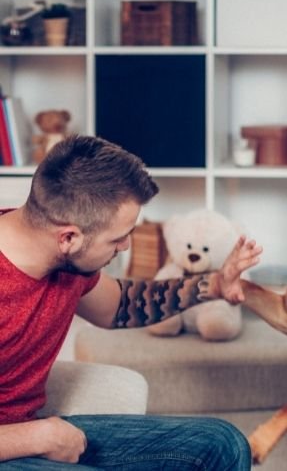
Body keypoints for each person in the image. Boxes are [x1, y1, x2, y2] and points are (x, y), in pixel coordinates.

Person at [0, 135, 262, 470]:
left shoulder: (65, 261)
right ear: (68, 237)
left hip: (28, 436)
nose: (125, 246)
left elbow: (120, 305)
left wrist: (213, 284)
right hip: (19, 443)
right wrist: (38, 437)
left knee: (221, 445)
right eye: (118, 237)